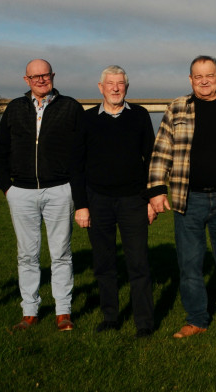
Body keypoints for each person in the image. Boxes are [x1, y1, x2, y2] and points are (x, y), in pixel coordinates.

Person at [147, 55, 216, 339]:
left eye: (210, 75)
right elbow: (161, 150)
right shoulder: (177, 107)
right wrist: (156, 189)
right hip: (186, 199)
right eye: (198, 76)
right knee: (189, 265)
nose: (204, 81)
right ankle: (197, 319)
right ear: (191, 80)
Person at [0, 59, 83, 332]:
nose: (41, 80)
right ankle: (30, 311)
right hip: (21, 191)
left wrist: (72, 186)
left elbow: (81, 150)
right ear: (26, 80)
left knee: (61, 253)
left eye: (45, 75)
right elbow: (0, 149)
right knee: (27, 255)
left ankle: (63, 311)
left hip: (58, 189)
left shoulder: (70, 107)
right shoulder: (14, 108)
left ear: (53, 75)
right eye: (35, 76)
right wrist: (6, 185)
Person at [71, 65, 156, 338]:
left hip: (133, 200)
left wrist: (149, 200)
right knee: (104, 264)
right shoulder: (86, 120)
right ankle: (110, 317)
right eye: (111, 83)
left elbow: (150, 161)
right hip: (98, 201)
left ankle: (144, 322)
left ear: (126, 87)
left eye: (120, 83)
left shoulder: (140, 117)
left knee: (139, 263)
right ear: (101, 87)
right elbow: (77, 166)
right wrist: (81, 205)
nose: (116, 88)